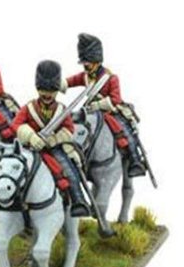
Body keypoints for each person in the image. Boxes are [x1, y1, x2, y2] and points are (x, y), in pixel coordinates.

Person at [11, 60, 91, 217]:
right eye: (43, 90)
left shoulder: (62, 110)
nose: (47, 95)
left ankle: (78, 200)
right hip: (30, 147)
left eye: (52, 91)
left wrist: (53, 140)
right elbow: (16, 124)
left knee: (68, 167)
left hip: (53, 148)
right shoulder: (28, 108)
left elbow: (69, 129)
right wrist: (31, 136)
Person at [63, 33, 145, 177]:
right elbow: (71, 81)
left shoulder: (111, 78)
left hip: (110, 111)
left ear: (96, 61)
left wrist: (98, 105)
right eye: (84, 63)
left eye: (87, 63)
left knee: (121, 127)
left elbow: (115, 100)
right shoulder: (86, 76)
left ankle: (135, 159)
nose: (85, 66)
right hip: (91, 112)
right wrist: (59, 84)